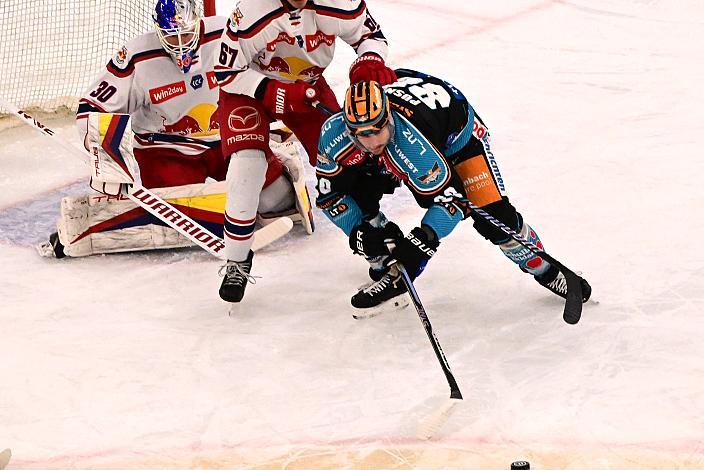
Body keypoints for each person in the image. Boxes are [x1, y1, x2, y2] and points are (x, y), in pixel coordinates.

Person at [38, 0, 308, 259]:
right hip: (166, 150)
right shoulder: (137, 56)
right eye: (170, 35)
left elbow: (273, 69)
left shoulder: (228, 33)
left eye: (185, 33)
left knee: (276, 201)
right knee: (177, 221)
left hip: (227, 136)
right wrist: (108, 160)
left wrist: (280, 117)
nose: (179, 43)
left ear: (197, 22)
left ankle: (276, 163)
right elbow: (91, 108)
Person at [315, 69, 592, 317]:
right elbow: (328, 197)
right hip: (419, 122)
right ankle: (386, 262)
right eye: (362, 135)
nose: (373, 141)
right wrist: (359, 232)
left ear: (388, 118)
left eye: (378, 130)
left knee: (493, 218)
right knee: (356, 189)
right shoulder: (333, 134)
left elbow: (453, 203)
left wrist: (421, 243)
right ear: (347, 128)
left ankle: (546, 270)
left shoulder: (412, 145)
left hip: (457, 137)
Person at [213, 0, 397, 303]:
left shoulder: (340, 3)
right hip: (250, 91)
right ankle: (237, 258)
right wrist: (270, 91)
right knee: (247, 165)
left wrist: (368, 62)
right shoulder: (252, 11)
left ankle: (375, 238)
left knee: (349, 162)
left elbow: (370, 37)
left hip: (307, 87)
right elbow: (225, 71)